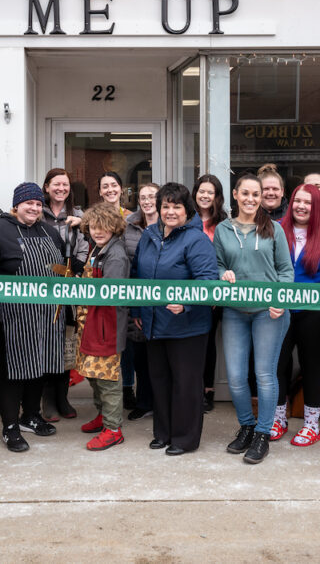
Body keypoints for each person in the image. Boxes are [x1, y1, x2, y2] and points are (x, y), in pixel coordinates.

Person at [132, 183, 218, 455]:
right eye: (165, 206)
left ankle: (184, 439)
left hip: (187, 327)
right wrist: (137, 311)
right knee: (159, 381)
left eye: (176, 206)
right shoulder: (149, 234)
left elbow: (208, 281)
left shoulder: (196, 239)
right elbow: (137, 274)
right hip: (154, 323)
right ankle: (163, 433)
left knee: (186, 385)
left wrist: (187, 303)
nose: (170, 212)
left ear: (187, 210)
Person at [214, 173, 292, 464]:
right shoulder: (223, 230)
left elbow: (286, 271)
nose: (250, 199)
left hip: (267, 312)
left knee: (264, 375)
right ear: (235, 194)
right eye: (245, 193)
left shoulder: (274, 229)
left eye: (255, 195)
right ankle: (247, 426)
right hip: (235, 310)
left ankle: (263, 434)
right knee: (235, 377)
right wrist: (224, 274)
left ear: (262, 198)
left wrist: (280, 300)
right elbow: (218, 265)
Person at [0, 182, 68, 452]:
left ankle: (30, 415)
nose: (34, 207)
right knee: (10, 372)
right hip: (11, 315)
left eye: (37, 203)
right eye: (28, 203)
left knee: (38, 366)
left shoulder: (50, 231)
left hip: (46, 315)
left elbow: (63, 266)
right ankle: (10, 426)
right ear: (16, 205)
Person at [275, 184, 320, 446]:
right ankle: (278, 419)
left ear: (317, 207)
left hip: (316, 313)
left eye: (308, 203)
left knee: (313, 366)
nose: (301, 207)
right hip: (279, 310)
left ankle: (311, 425)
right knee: (278, 365)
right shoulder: (275, 232)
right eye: (297, 201)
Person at [76, 203, 131, 450]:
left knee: (108, 378)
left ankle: (113, 428)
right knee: (93, 373)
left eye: (104, 227)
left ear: (114, 228)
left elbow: (109, 293)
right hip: (92, 322)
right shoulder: (97, 248)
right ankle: (102, 416)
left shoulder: (116, 255)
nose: (98, 231)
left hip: (106, 324)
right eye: (94, 226)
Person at [40, 168, 88, 422]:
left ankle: (62, 397)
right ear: (46, 186)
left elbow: (84, 248)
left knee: (66, 343)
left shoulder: (79, 216)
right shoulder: (38, 212)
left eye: (65, 184)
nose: (61, 188)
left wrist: (75, 270)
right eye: (56, 184)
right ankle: (48, 399)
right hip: (44, 287)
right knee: (47, 341)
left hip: (69, 287)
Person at [123, 182, 160, 421]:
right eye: (143, 197)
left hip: (164, 302)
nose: (147, 201)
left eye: (152, 197)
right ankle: (145, 401)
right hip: (136, 298)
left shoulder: (171, 223)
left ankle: (163, 401)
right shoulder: (129, 226)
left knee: (161, 355)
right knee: (139, 355)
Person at [193, 174, 227, 413]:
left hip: (215, 293)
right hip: (190, 290)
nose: (205, 196)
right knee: (191, 341)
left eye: (210, 192)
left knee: (208, 343)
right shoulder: (187, 219)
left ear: (217, 197)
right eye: (201, 191)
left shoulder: (224, 223)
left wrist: (215, 294)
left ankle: (208, 390)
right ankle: (191, 389)